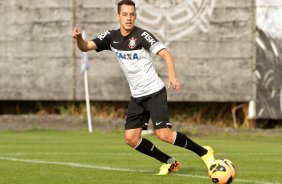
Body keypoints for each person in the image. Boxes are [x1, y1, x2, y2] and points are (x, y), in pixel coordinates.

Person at [72, 0, 215, 175]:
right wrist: (79, 38)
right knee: (131, 139)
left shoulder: (142, 35)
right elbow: (85, 47)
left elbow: (166, 54)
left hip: (154, 92)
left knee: (164, 135)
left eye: (132, 14)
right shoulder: (111, 37)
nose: (128, 18)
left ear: (135, 16)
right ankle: (169, 162)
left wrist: (172, 76)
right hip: (137, 96)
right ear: (118, 16)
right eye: (124, 14)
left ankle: (204, 152)